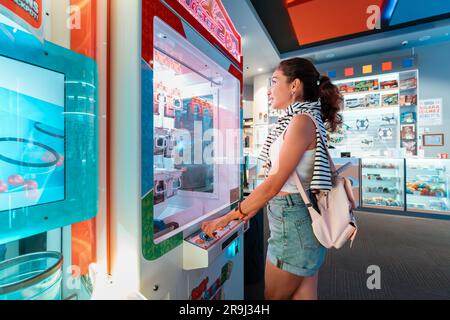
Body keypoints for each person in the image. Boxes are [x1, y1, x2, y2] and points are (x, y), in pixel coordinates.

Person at [202, 57, 351, 300]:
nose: (269, 90)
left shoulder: (301, 121)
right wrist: (246, 212)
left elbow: (273, 184)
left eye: (274, 82)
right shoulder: (304, 119)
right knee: (304, 294)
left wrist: (227, 218)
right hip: (301, 220)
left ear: (294, 85)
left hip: (292, 225)